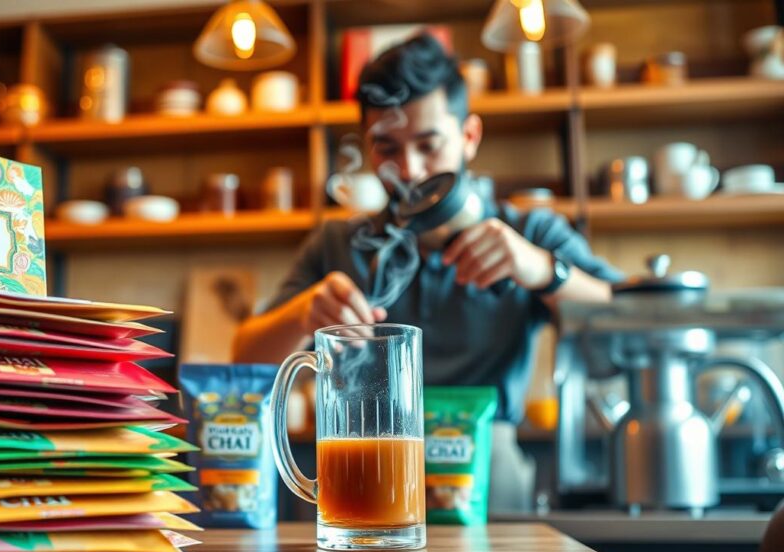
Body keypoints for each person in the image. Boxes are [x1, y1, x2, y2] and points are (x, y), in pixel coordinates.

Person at [232, 32, 621, 427]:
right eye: (387, 148)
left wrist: (544, 272)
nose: (409, 170)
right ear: (368, 148)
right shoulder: (337, 244)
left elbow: (633, 327)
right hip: (370, 457)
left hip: (487, 458)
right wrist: (301, 315)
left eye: (428, 145)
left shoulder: (530, 233)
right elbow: (241, 367)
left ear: (469, 137)